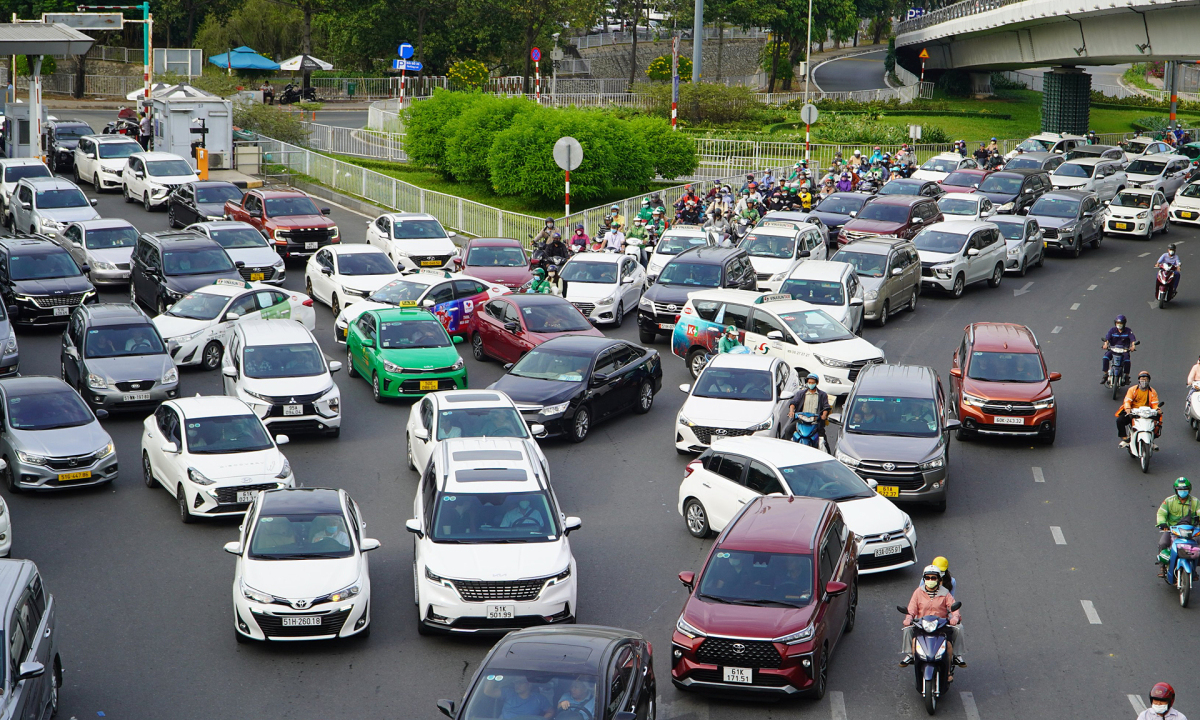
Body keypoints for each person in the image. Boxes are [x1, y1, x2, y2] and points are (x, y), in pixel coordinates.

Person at [901, 566, 965, 672]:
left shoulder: (945, 593)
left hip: (940, 625)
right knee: (909, 632)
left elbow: (954, 608)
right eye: (928, 578)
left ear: (939, 579)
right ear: (924, 579)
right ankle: (910, 655)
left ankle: (954, 661)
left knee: (952, 638)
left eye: (933, 578)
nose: (930, 580)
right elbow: (912, 608)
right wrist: (908, 618)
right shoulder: (918, 592)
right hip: (922, 624)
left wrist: (955, 617)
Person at [1156, 477, 1200, 563]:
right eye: (1180, 490)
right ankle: (1162, 566)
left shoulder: (1195, 502)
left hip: (1190, 531)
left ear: (1189, 489)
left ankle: (1194, 570)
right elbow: (1161, 513)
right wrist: (1162, 523)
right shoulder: (1169, 501)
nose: (1182, 492)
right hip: (1172, 530)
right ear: (1176, 490)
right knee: (1163, 543)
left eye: (1185, 489)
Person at [1117, 370, 1160, 449]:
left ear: (1149, 380)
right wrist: (1128, 408)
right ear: (1139, 380)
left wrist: (1157, 409)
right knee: (1120, 421)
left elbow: (1155, 404)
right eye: (1142, 379)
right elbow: (1127, 400)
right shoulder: (1132, 390)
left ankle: (1151, 441)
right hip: (1133, 412)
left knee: (1157, 423)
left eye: (1146, 379)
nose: (1144, 381)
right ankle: (1125, 438)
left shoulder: (1152, 392)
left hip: (1147, 412)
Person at [789, 373, 831, 451]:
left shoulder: (822, 395)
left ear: (816, 383)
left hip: (815, 421)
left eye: (812, 383)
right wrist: (791, 411)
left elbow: (826, 407)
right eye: (809, 382)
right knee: (787, 430)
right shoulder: (801, 393)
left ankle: (829, 455)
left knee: (823, 439)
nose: (810, 384)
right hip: (801, 420)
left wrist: (824, 415)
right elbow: (793, 403)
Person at [483, 677, 553, 720]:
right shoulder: (508, 693)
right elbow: (488, 691)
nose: (517, 685)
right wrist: (493, 676)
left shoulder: (539, 699)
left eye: (520, 682)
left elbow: (551, 712)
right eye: (516, 682)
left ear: (529, 684)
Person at [1102, 314, 1136, 384]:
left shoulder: (1128, 331)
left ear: (1124, 324)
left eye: (1121, 323)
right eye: (1118, 323)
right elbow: (1107, 339)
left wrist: (1133, 346)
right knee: (1105, 358)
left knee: (1127, 361)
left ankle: (1126, 376)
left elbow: (1133, 340)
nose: (1119, 325)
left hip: (1124, 351)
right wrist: (1105, 344)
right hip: (1113, 350)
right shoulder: (1112, 330)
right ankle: (1105, 374)